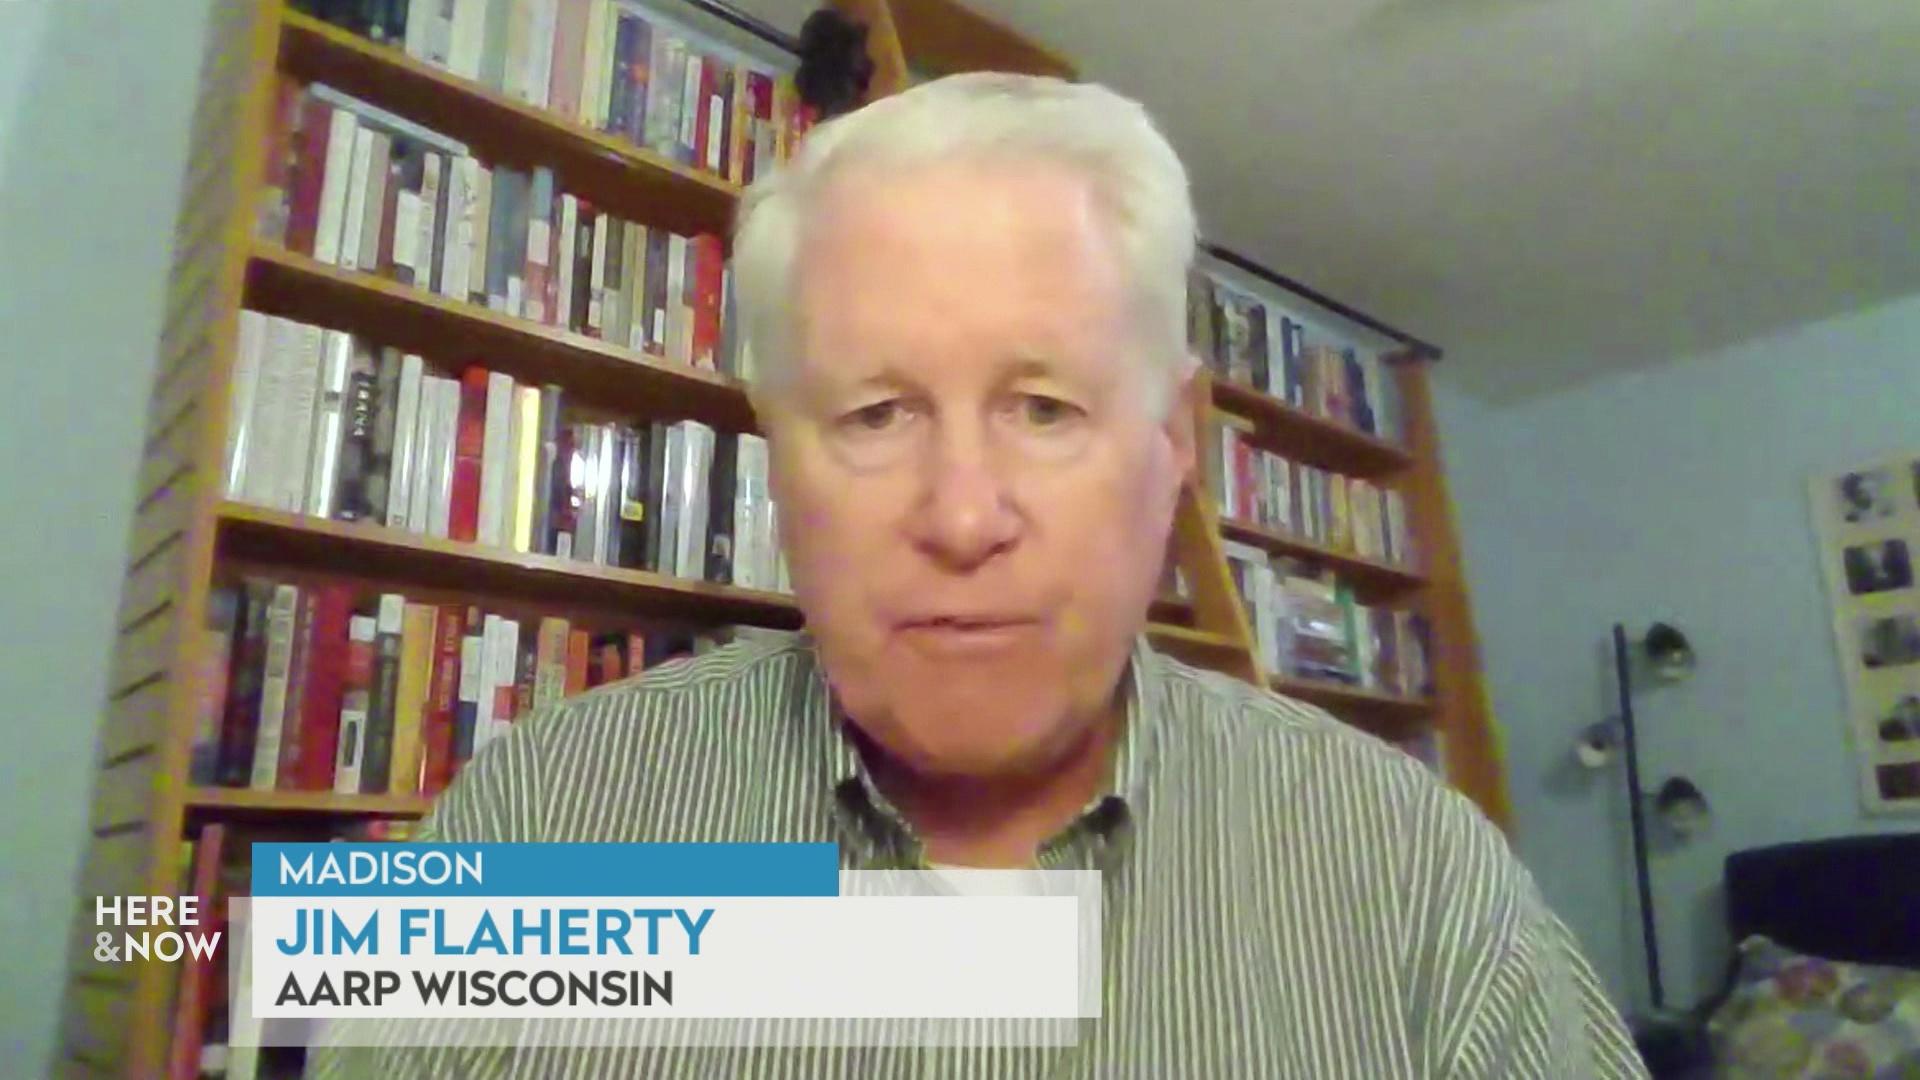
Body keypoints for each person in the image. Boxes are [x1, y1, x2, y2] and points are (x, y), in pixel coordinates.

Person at [310, 72, 1644, 1077]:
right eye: (876, 414)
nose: (962, 516)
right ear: (778, 455)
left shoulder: (1410, 875)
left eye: (1046, 408)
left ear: (1174, 443)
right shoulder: (543, 819)